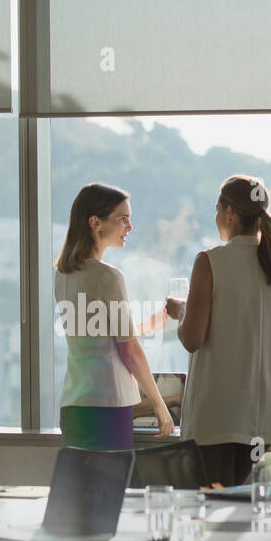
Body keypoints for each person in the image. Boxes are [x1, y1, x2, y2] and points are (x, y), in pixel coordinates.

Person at [166, 175, 271, 487]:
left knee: (212, 523)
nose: (215, 218)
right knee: (265, 525)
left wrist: (182, 311)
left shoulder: (211, 262)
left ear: (229, 213)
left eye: (217, 210)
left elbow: (192, 338)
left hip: (219, 423)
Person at [55, 182, 173, 450]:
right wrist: (159, 403)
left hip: (74, 405)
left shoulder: (62, 275)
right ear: (95, 222)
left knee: (81, 488)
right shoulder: (108, 276)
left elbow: (94, 335)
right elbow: (129, 351)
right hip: (107, 407)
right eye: (123, 220)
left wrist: (143, 326)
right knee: (110, 488)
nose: (129, 228)